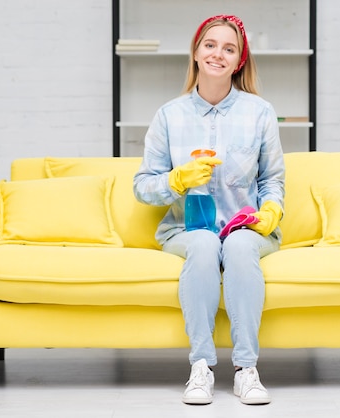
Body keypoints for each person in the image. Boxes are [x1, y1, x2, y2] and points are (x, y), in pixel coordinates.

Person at [133, 14, 285, 405]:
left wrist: (271, 210)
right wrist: (176, 181)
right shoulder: (169, 115)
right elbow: (143, 186)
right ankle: (200, 367)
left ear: (239, 62)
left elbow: (272, 180)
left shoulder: (260, 113)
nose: (219, 53)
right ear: (197, 53)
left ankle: (246, 369)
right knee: (202, 244)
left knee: (235, 247)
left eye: (229, 48)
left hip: (245, 228)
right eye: (211, 45)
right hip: (186, 229)